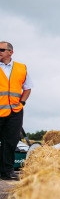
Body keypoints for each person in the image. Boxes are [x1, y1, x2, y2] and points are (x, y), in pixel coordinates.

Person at [0, 41, 32, 180]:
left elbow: (28, 87)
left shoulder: (21, 68)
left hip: (15, 112)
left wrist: (22, 102)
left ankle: (7, 172)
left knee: (11, 142)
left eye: (1, 50)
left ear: (10, 52)